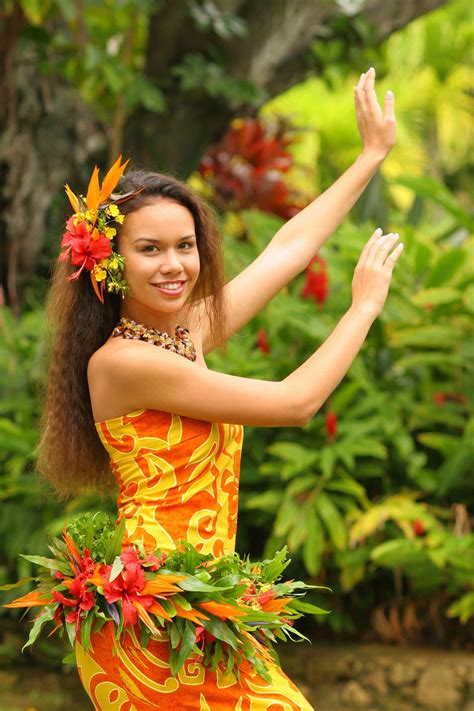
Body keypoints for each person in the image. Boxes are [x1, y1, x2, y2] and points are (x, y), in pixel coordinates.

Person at [33, 67, 399, 709]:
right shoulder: (124, 362)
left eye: (185, 245)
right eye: (150, 249)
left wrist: (369, 157)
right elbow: (295, 402)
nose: (174, 265)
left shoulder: (179, 338)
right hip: (153, 622)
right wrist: (361, 309)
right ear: (112, 263)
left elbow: (286, 251)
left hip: (202, 608)